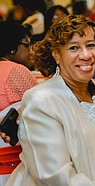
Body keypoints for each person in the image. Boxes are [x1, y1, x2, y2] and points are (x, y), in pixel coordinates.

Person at [4, 14, 95, 186]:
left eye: (91, 45)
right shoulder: (40, 101)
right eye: (73, 48)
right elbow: (55, 176)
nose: (86, 55)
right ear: (56, 54)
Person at [0, 20, 38, 185]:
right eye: (27, 45)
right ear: (12, 48)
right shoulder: (17, 71)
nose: (32, 52)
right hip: (15, 159)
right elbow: (40, 110)